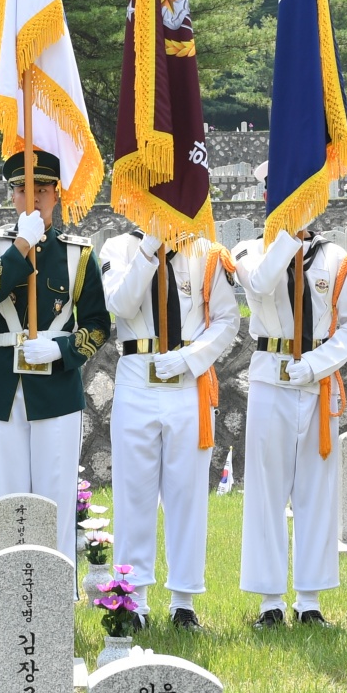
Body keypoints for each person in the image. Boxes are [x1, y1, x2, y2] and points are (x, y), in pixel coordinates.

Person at [0, 150, 112, 555]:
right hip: (5, 390)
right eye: (22, 191)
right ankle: (12, 597)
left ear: (57, 194)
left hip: (57, 389)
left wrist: (63, 348)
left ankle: (56, 597)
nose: (32, 200)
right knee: (7, 499)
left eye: (42, 190)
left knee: (55, 497)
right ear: (11, 195)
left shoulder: (77, 254)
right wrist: (21, 246)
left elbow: (98, 324)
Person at [98, 225, 238, 627]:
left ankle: (184, 601)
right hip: (137, 376)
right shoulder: (120, 247)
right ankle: (133, 599)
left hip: (186, 381)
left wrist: (194, 357)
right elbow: (121, 305)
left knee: (187, 492)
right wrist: (149, 249)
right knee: (133, 493)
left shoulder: (204, 251)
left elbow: (228, 319)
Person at [233, 221, 347, 626]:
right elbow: (259, 286)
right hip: (270, 376)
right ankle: (270, 601)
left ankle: (309, 600)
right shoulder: (250, 249)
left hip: (317, 377)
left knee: (317, 490)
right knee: (266, 490)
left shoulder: (335, 257)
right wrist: (287, 239)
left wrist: (315, 364)